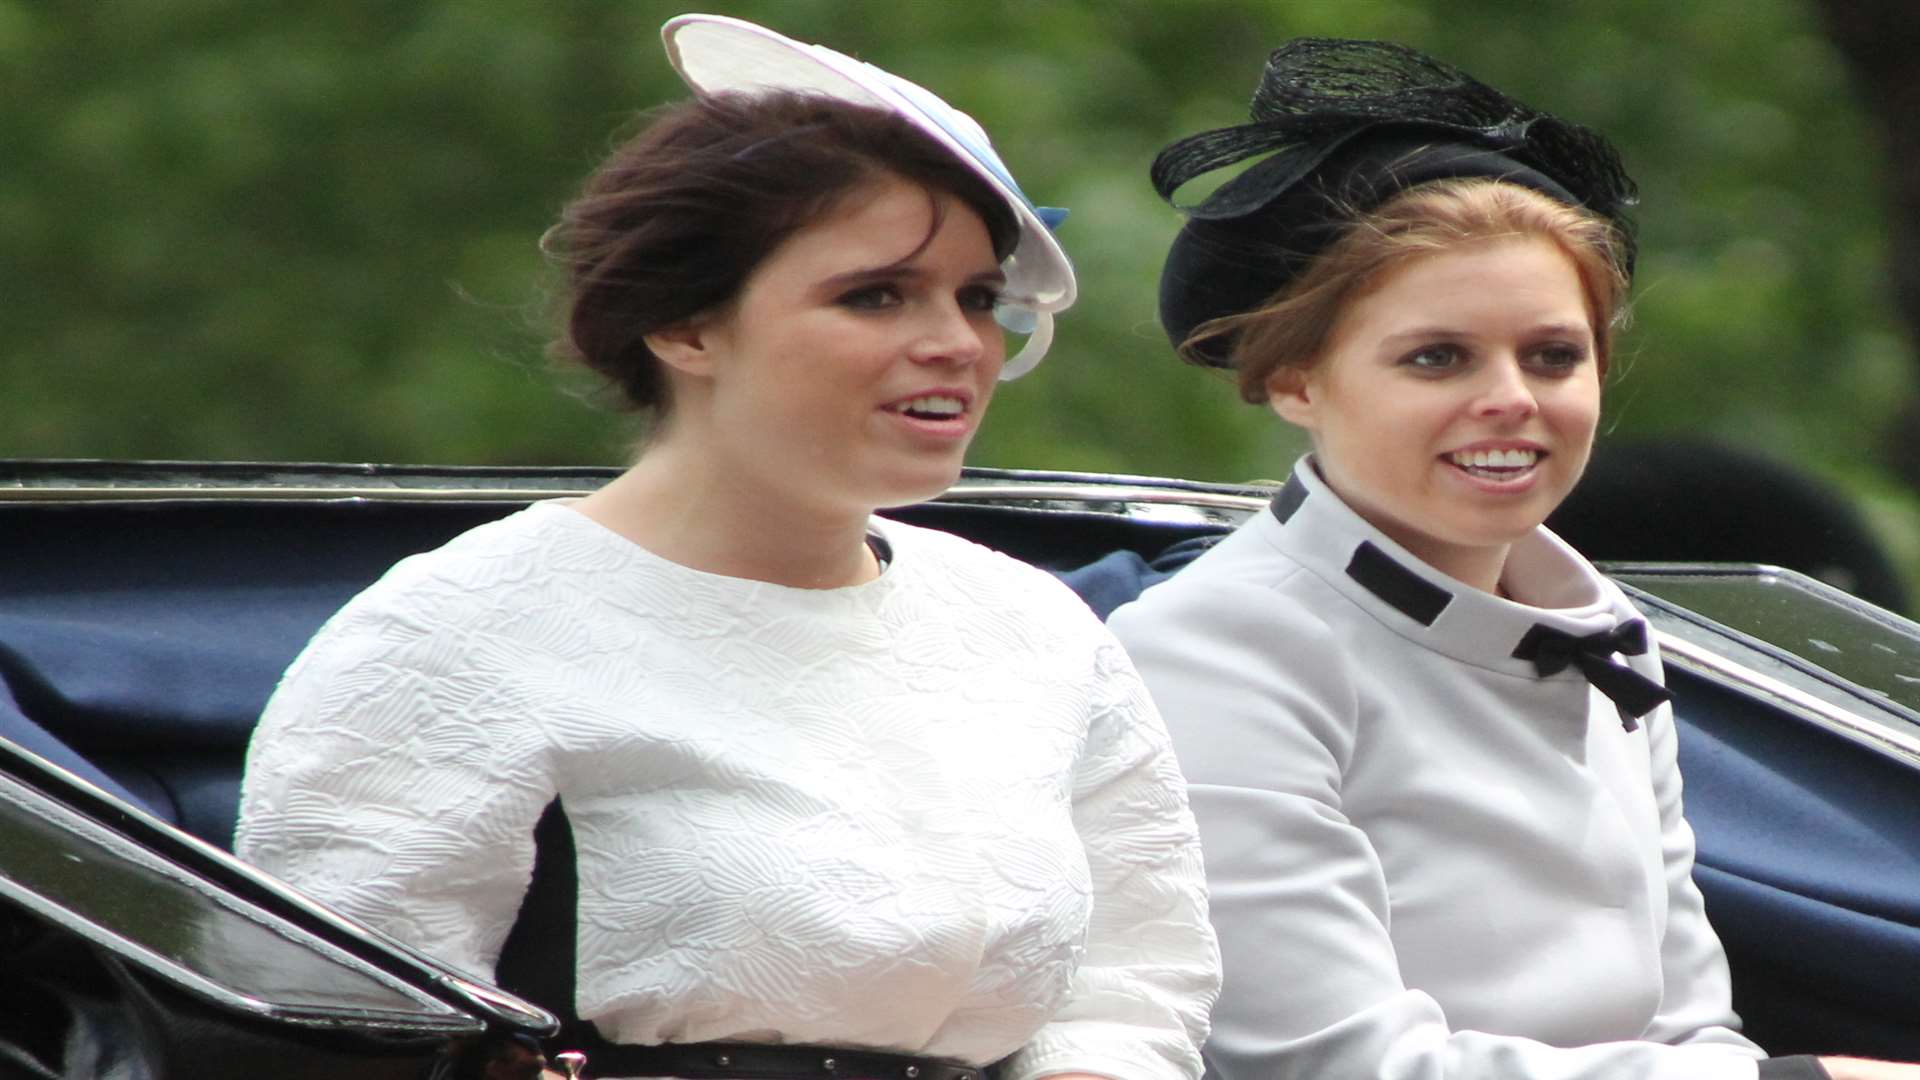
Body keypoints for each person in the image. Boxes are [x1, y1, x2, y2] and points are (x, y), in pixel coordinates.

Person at [234, 14, 1217, 1080]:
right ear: (687, 325)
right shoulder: (457, 630)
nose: (956, 342)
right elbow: (335, 1032)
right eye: (876, 294)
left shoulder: (1035, 630)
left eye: (979, 299)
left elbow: (1134, 981)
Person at [1108, 38, 1918, 1080]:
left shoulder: (1611, 641)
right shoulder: (1210, 653)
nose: (1513, 400)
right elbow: (1335, 1064)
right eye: (1436, 357)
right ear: (1296, 381)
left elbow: (1689, 1033)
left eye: (1553, 355)